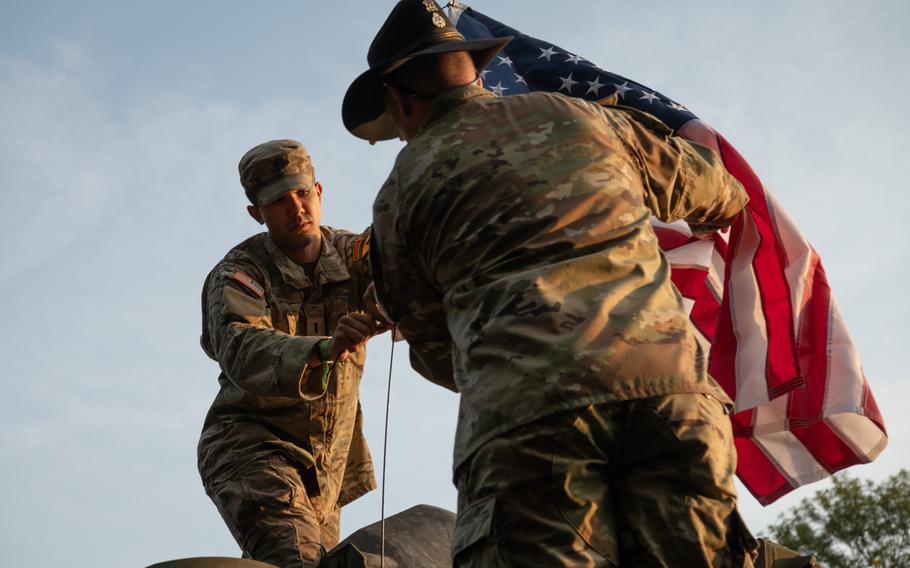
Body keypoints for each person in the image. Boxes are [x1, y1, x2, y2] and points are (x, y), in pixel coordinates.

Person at [342, 1, 758, 566]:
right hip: (669, 397)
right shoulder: (588, 118)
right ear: (475, 69)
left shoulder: (399, 194)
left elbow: (437, 350)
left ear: (396, 99)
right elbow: (719, 189)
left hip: (525, 422)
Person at [197, 139, 382, 567]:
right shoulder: (240, 273)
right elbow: (240, 347)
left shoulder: (353, 255)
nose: (296, 208)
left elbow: (409, 256)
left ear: (319, 193)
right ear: (256, 214)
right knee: (298, 558)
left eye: (302, 194)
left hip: (325, 472)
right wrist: (323, 348)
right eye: (279, 201)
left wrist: (394, 298)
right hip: (252, 447)